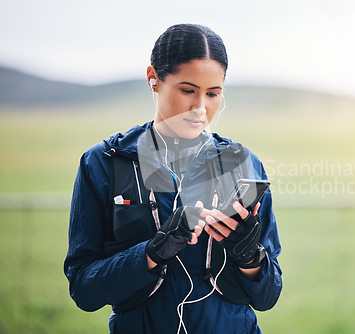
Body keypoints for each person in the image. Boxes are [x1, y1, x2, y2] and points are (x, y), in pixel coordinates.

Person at [63, 24, 282, 333]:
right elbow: (84, 290)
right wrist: (152, 253)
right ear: (154, 79)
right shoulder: (103, 162)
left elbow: (268, 295)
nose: (200, 108)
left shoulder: (245, 164)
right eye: (188, 90)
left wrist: (249, 256)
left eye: (213, 94)